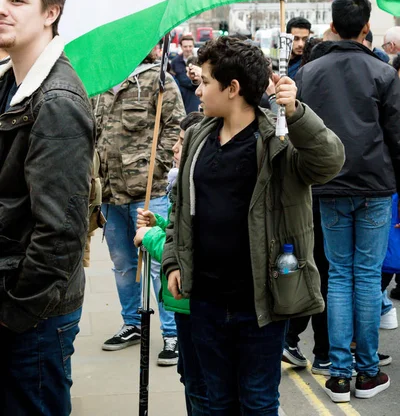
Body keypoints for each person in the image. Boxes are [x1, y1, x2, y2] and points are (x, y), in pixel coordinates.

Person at [163, 36, 345, 415]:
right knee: (217, 400)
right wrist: (173, 261)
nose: (198, 88)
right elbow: (180, 210)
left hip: (260, 301)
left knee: (258, 400)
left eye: (206, 81)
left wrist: (295, 112)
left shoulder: (276, 139)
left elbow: (329, 161)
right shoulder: (198, 135)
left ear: (232, 89)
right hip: (206, 299)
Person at [0, 0, 95, 415]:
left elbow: (60, 233)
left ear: (50, 13)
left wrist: (14, 315)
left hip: (32, 318)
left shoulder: (55, 101)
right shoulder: (11, 83)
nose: (2, 8)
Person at [296, 0, 400, 402]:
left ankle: (340, 373)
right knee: (366, 276)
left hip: (329, 184)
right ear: (365, 27)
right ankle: (367, 370)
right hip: (374, 186)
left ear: (333, 26)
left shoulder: (309, 72)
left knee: (339, 275)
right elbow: (396, 136)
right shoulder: (382, 72)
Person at [95, 48, 185, 365]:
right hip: (109, 192)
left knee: (160, 264)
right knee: (123, 265)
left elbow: (176, 127)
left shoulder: (160, 82)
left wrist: (156, 167)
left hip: (149, 192)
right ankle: (132, 324)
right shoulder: (101, 82)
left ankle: (173, 334)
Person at [134, 111, 209, 416]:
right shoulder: (183, 184)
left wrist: (150, 236)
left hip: (193, 304)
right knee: (189, 377)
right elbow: (180, 231)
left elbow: (188, 248)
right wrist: (160, 221)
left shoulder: (195, 186)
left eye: (180, 142)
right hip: (183, 305)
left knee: (198, 385)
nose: (174, 149)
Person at [171, 35, 201, 113]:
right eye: (185, 46)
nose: (188, 49)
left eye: (190, 46)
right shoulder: (175, 62)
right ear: (181, 47)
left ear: (193, 46)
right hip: (182, 97)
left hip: (196, 97)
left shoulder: (200, 60)